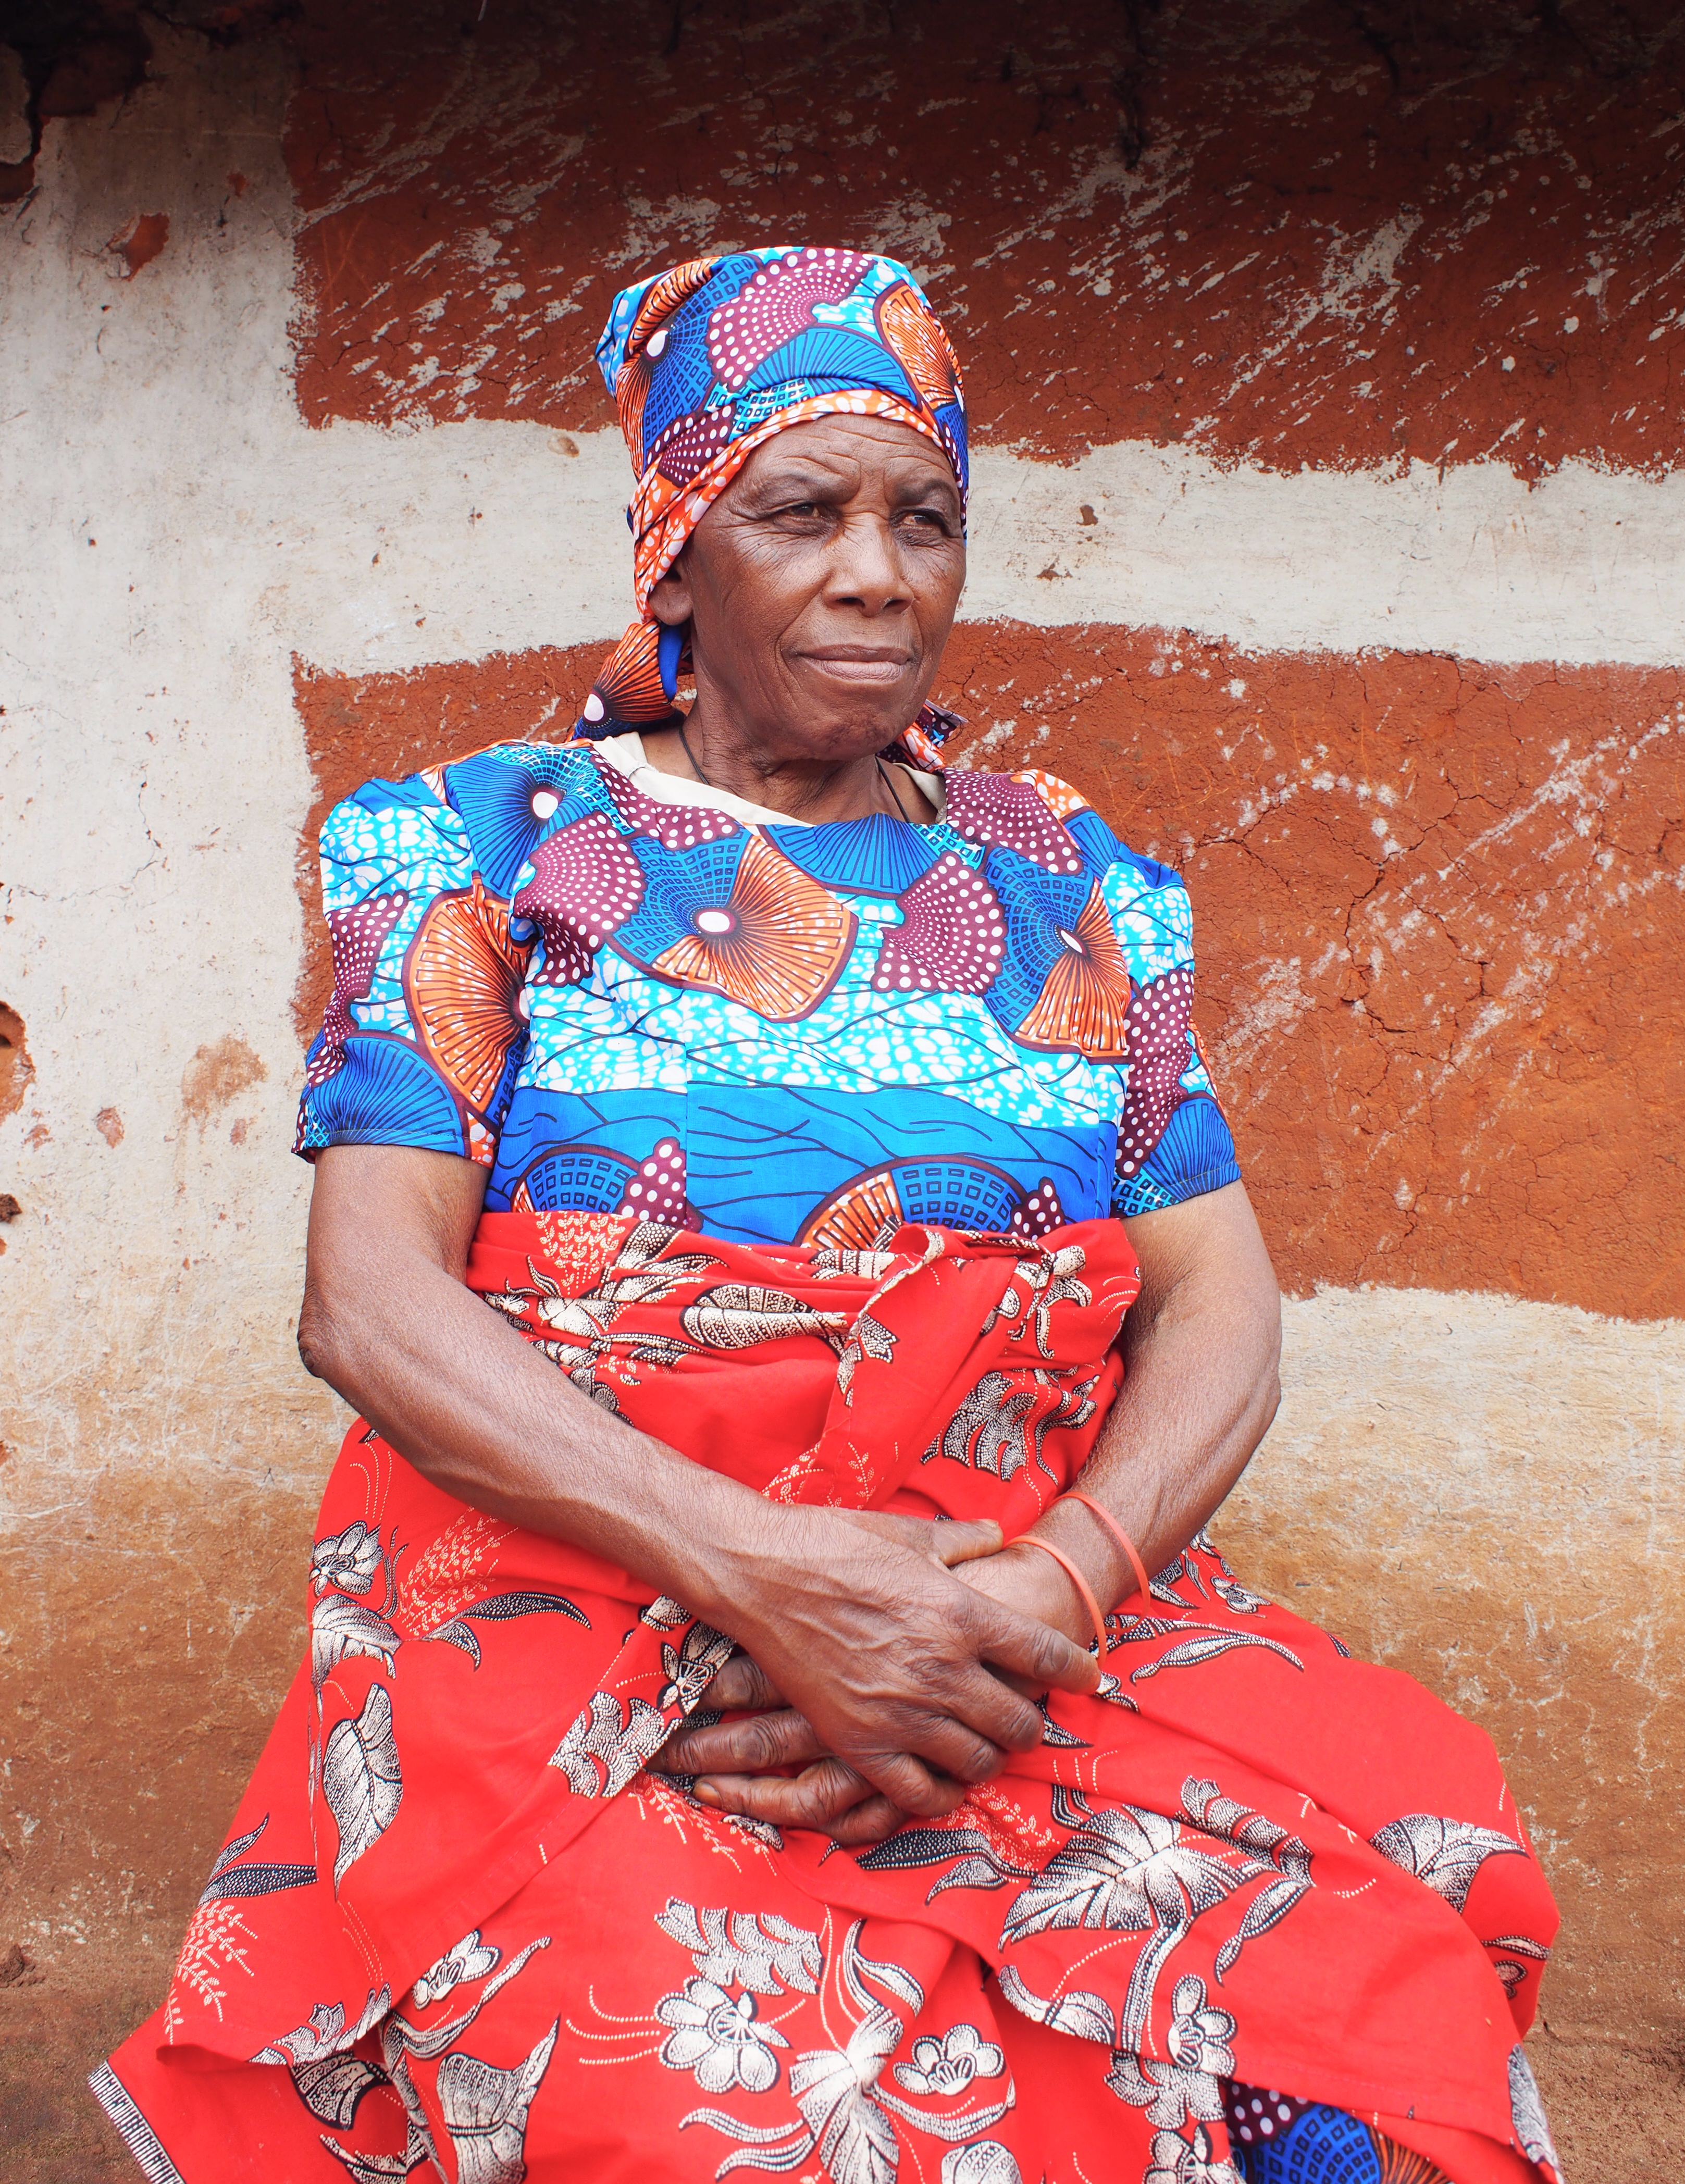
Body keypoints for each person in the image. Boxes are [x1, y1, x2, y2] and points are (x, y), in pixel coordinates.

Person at [96, 245, 1560, 2184]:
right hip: (598, 1634)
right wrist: (778, 1585)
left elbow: (1217, 1301)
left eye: (922, 518)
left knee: (1413, 1906)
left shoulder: (1072, 881)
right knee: (739, 2094)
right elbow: (368, 1303)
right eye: (801, 512)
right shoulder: (473, 843)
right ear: (675, 555)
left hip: (1005, 1624)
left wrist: (1036, 1603)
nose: (879, 574)